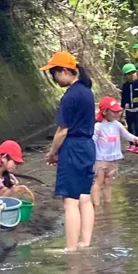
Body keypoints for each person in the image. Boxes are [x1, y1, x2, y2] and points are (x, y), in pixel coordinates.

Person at [42, 51, 96, 251]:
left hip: (73, 147)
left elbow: (62, 130)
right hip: (88, 146)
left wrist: (52, 152)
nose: (54, 79)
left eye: (54, 73)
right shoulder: (87, 92)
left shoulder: (70, 96)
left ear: (64, 71)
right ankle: (85, 242)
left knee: (70, 201)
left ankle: (71, 249)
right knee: (84, 197)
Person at [93, 96, 138, 205]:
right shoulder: (98, 126)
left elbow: (125, 134)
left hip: (113, 158)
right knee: (99, 181)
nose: (116, 113)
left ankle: (107, 204)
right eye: (113, 111)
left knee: (108, 182)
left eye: (117, 111)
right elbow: (93, 140)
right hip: (100, 159)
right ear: (105, 111)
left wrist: (134, 138)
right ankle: (96, 204)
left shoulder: (117, 124)